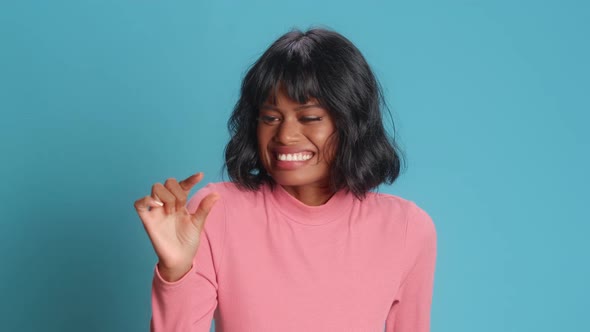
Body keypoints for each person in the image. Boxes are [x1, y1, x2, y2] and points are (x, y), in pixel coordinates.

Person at [134, 27, 437, 332]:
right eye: (271, 118)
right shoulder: (215, 211)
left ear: (351, 122)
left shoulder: (407, 229)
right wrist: (176, 273)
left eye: (309, 117)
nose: (285, 135)